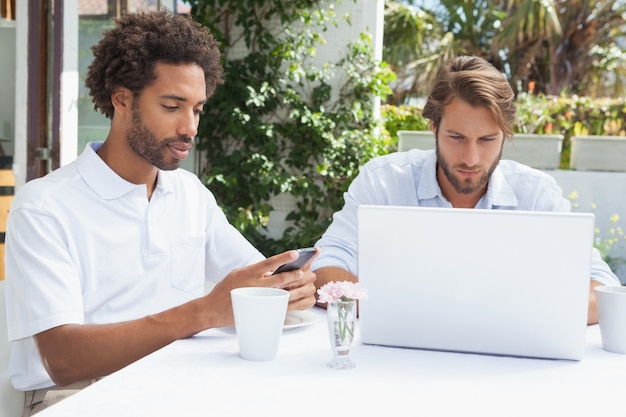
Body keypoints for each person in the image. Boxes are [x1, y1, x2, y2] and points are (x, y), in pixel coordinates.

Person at [4, 10, 317, 415]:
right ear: (121, 99)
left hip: (179, 384)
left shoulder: (189, 194)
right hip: (79, 396)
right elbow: (63, 360)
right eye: (172, 106)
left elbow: (253, 282)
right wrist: (203, 312)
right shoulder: (44, 207)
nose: (190, 128)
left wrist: (290, 287)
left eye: (198, 109)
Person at [311, 55, 620, 324]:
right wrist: (406, 310)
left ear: (506, 135)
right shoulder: (384, 180)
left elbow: (602, 291)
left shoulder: (536, 194)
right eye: (456, 137)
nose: (471, 159)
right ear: (434, 128)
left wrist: (495, 314)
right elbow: (324, 268)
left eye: (487, 140)